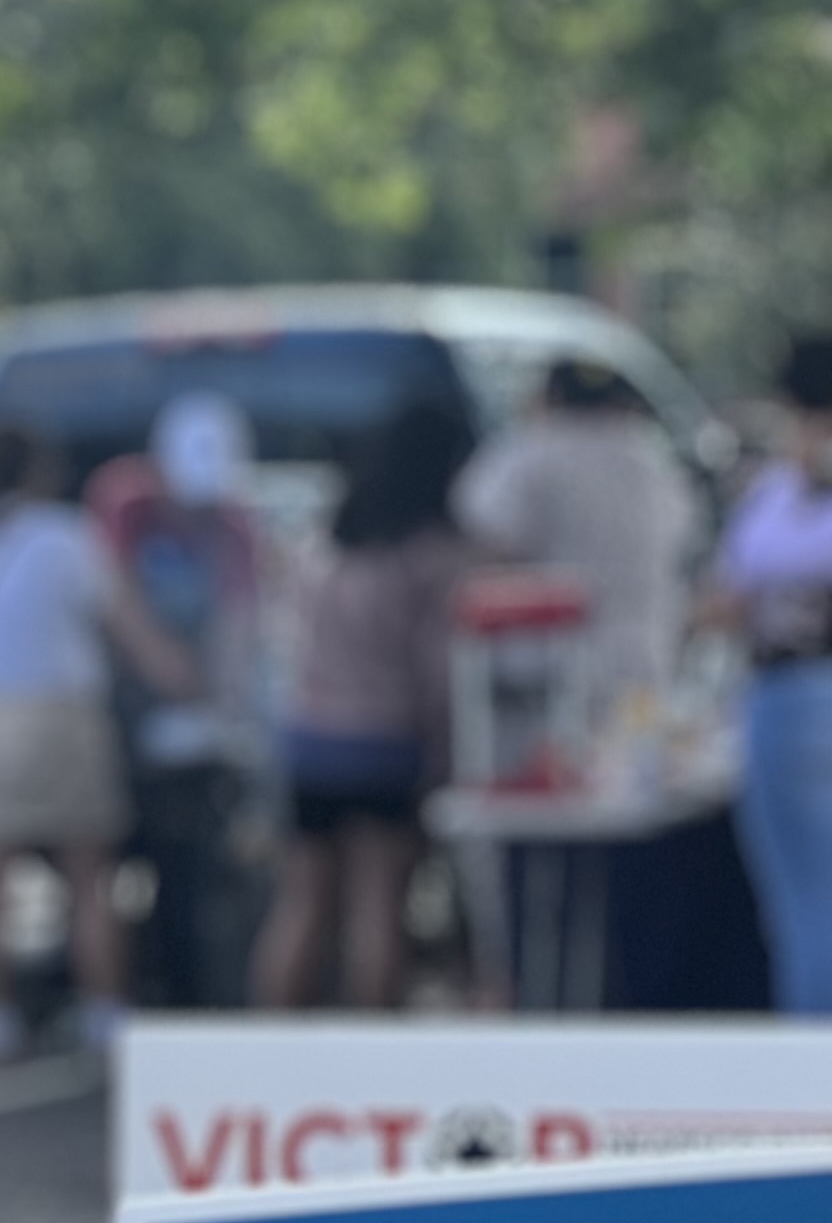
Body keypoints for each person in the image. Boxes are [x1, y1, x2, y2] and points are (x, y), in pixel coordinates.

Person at [0, 423, 193, 1065]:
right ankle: (104, 1013)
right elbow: (128, 625)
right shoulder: (69, 537)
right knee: (89, 879)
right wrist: (189, 680)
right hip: (60, 712)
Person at [253, 402, 474, 1011]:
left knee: (304, 900)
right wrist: (448, 754)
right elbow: (440, 673)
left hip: (310, 736)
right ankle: (370, 1049)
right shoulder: (433, 552)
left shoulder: (324, 538)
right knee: (380, 904)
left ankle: (269, 1041)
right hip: (386, 740)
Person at [90, 393, 268, 1008]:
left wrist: (226, 696)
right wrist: (171, 669)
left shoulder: (234, 522)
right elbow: (119, 601)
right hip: (126, 711)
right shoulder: (125, 503)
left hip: (196, 721)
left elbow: (240, 622)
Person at [457, 356, 701, 710]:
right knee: (628, 761)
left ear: (549, 397)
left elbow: (484, 537)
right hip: (643, 663)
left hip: (548, 667)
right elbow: (686, 540)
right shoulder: (655, 461)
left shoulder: (530, 451)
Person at [717, 334, 832, 1012]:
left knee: (807, 906)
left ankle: (812, 1073)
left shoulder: (786, 491)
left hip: (794, 695)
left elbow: (731, 587)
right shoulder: (783, 489)